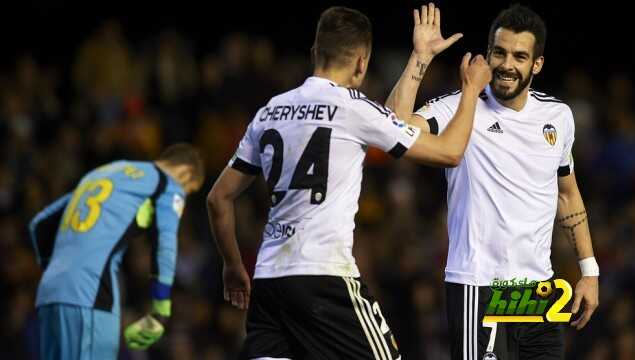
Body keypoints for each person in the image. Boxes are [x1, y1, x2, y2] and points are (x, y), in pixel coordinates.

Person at [207, 4, 491, 359]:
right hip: (324, 277)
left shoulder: (269, 112)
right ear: (362, 62)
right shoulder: (353, 107)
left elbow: (218, 199)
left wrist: (233, 266)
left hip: (268, 281)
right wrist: (469, 90)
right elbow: (449, 152)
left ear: (315, 52)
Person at [402, 5, 599, 359]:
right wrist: (420, 59)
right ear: (488, 54)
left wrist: (589, 271)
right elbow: (395, 131)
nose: (507, 64)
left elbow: (567, 195)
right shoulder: (460, 107)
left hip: (537, 291)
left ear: (536, 64)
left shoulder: (558, 117)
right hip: (479, 288)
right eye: (500, 52)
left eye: (520, 56)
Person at [29, 143, 204, 360]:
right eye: (189, 190)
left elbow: (40, 224)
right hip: (91, 295)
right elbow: (165, 244)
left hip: (50, 294)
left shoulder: (106, 172)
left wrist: (59, 273)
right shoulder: (168, 184)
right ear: (186, 172)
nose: (184, 199)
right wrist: (160, 311)